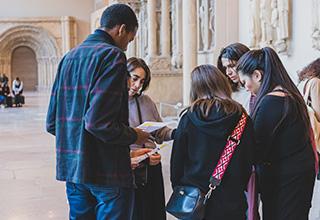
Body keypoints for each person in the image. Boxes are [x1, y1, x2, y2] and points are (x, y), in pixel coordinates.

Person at [46, 4, 150, 220]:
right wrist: (135, 135)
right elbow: (98, 123)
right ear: (121, 29)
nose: (126, 46)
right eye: (129, 39)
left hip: (74, 170)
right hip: (107, 172)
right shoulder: (112, 56)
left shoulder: (68, 57)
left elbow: (52, 123)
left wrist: (79, 144)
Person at [236, 47, 316, 220]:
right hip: (297, 176)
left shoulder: (271, 101)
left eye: (244, 82)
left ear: (257, 75)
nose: (246, 88)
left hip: (284, 180)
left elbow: (257, 147)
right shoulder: (289, 95)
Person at [170, 64, 255, 220]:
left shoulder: (188, 118)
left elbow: (177, 162)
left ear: (195, 88)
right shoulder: (242, 118)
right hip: (232, 198)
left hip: (194, 200)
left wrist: (181, 187)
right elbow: (248, 160)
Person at [127, 57, 173, 220]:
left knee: (154, 212)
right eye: (134, 78)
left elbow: (160, 132)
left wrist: (175, 133)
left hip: (152, 165)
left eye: (142, 81)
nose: (138, 85)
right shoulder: (112, 103)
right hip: (130, 167)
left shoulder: (146, 101)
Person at [217, 43, 253, 113]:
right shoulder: (227, 92)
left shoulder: (256, 90)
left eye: (232, 66)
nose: (228, 72)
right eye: (225, 68)